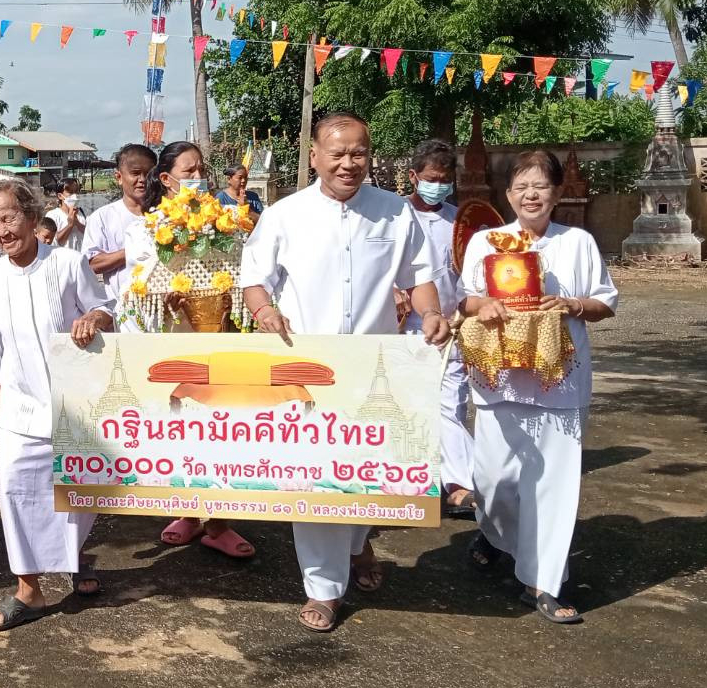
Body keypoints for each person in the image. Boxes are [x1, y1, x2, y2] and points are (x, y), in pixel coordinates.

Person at [240, 112, 449, 633]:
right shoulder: (286, 215)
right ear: (314, 156)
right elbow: (254, 278)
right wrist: (265, 312)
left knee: (366, 472)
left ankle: (358, 546)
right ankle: (323, 588)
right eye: (337, 153)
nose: (348, 163)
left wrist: (431, 313)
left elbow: (419, 276)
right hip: (305, 371)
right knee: (313, 481)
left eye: (358, 153)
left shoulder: (396, 212)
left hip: (373, 367)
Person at [459, 150, 617, 625]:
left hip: (559, 381)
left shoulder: (579, 243)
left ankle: (543, 581)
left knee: (554, 483)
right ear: (508, 194)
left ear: (558, 192)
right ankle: (493, 532)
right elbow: (464, 297)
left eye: (541, 185)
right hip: (499, 376)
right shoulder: (487, 241)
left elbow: (605, 303)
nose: (531, 194)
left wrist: (570, 303)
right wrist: (480, 306)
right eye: (521, 186)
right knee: (495, 480)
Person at [0, 180, 114, 630]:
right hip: (18, 405)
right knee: (15, 490)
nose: (2, 229)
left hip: (73, 403)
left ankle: (72, 558)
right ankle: (28, 590)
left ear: (33, 218)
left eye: (9, 217)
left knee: (78, 494)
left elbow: (104, 308)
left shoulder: (70, 264)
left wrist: (92, 318)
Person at [126, 141, 256, 562]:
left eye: (201, 168)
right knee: (180, 431)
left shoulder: (225, 219)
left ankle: (219, 523)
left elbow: (246, 273)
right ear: (166, 179)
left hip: (223, 339)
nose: (199, 176)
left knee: (222, 431)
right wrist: (166, 299)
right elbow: (139, 286)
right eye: (189, 169)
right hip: (173, 341)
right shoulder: (147, 227)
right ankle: (186, 512)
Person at [402, 139, 475, 517]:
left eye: (445, 180)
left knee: (451, 404)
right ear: (414, 177)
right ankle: (411, 477)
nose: (438, 185)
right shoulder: (395, 217)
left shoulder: (459, 221)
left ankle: (460, 484)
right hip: (403, 325)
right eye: (432, 178)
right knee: (409, 407)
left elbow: (469, 272)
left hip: (451, 325)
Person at [82, 143, 156, 301]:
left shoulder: (167, 213)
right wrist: (134, 251)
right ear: (119, 177)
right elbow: (91, 264)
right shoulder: (102, 217)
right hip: (121, 313)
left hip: (165, 310)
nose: (142, 180)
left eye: (148, 173)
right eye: (135, 173)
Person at [47, 178, 86, 251]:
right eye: (70, 192)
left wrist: (77, 223)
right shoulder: (52, 215)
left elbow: (89, 235)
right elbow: (55, 241)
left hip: (80, 258)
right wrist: (70, 225)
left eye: (76, 192)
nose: (74, 196)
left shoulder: (81, 213)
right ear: (60, 196)